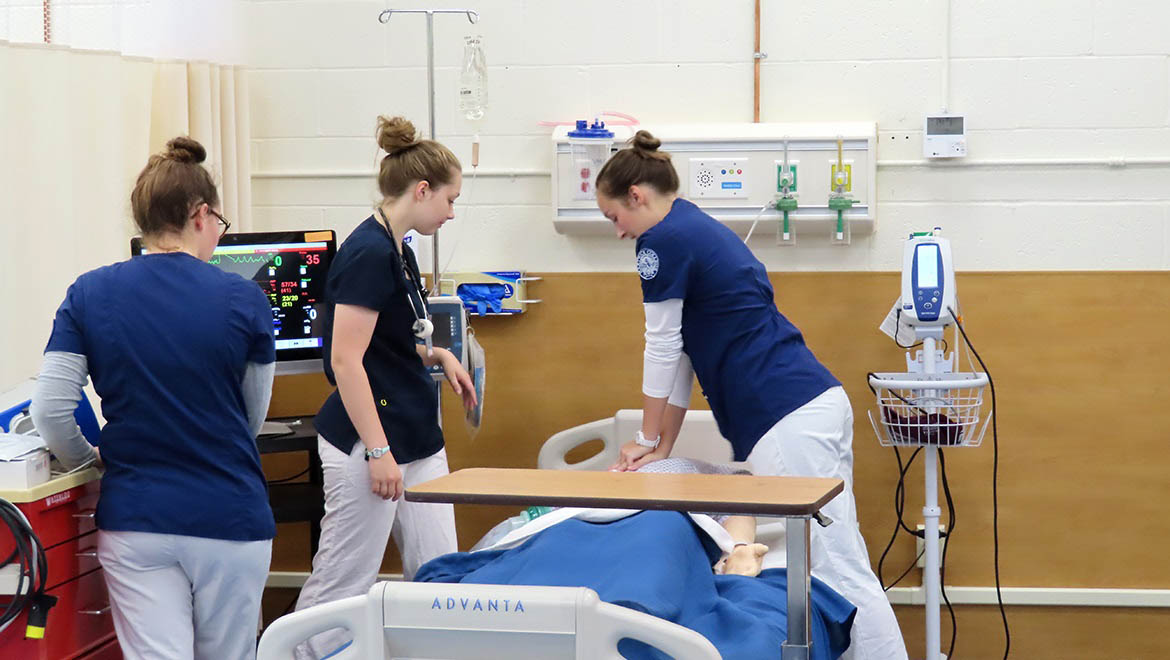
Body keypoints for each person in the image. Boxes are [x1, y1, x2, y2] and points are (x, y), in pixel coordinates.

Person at [596, 130, 908, 660]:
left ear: (636, 196)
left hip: (785, 417)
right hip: (810, 404)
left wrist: (647, 435)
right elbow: (685, 362)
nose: (619, 233)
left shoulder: (662, 242)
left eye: (614, 218)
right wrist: (658, 449)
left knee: (833, 568)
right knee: (839, 558)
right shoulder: (695, 228)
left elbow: (663, 345)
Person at [30, 137, 276, 660]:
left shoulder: (88, 293)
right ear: (201, 214)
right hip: (229, 519)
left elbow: (49, 409)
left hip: (136, 517)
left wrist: (89, 461)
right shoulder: (244, 299)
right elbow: (250, 420)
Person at [293, 115, 477, 660]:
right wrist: (378, 452)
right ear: (421, 191)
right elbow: (346, 361)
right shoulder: (368, 253)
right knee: (344, 581)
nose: (451, 211)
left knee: (441, 573)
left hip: (415, 436)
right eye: (449, 199)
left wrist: (436, 352)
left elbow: (389, 338)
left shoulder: (400, 246)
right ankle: (301, 654)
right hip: (367, 442)